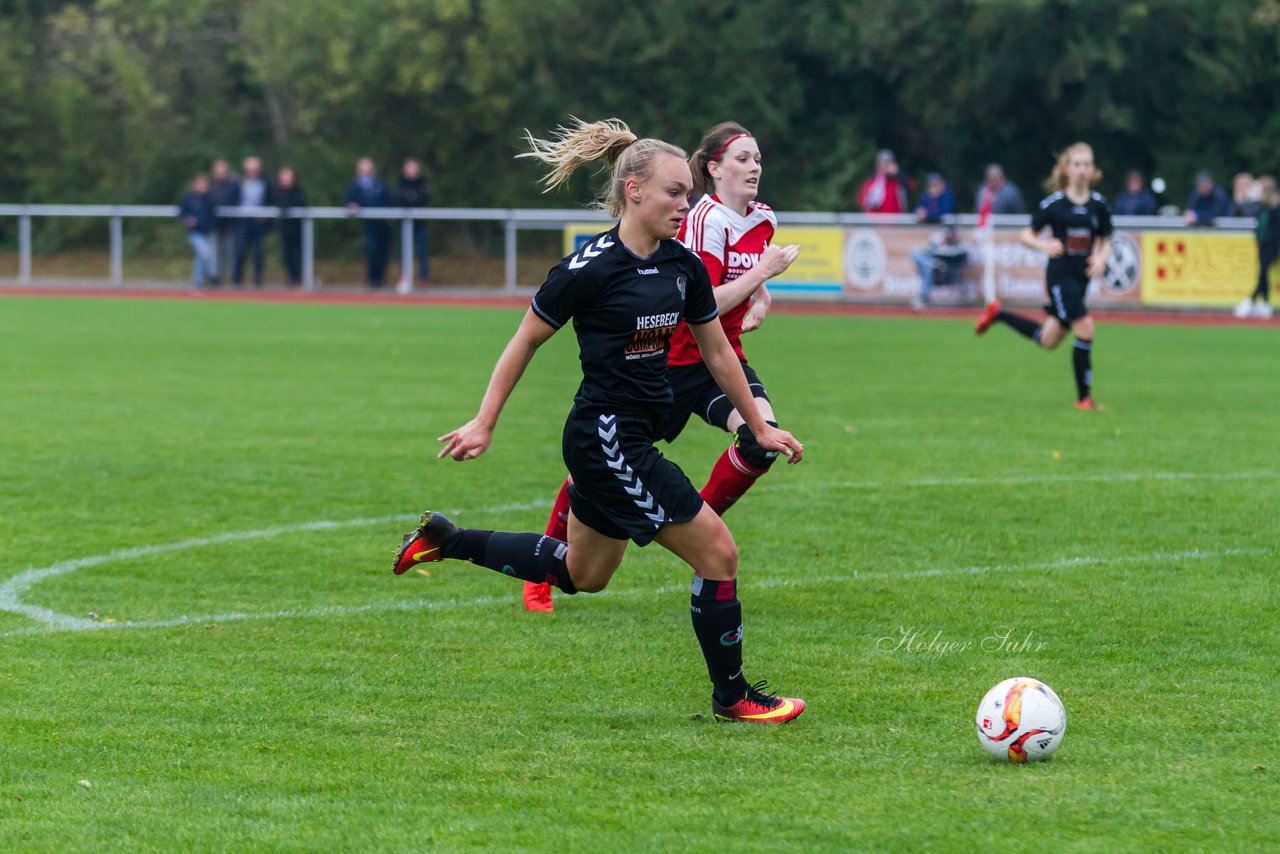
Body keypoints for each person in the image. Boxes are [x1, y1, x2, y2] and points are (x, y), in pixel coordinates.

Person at [393, 118, 807, 724]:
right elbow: (523, 341)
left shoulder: (683, 268)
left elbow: (718, 353)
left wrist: (760, 426)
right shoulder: (587, 268)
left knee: (582, 574)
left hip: (616, 440)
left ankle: (447, 541)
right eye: (673, 194)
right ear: (633, 191)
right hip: (609, 438)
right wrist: (484, 421)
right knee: (718, 554)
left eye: (687, 195)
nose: (683, 205)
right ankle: (734, 697)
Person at [522, 121, 800, 613]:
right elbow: (705, 296)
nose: (755, 166)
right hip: (669, 363)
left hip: (721, 358)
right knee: (599, 472)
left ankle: (698, 529)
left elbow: (731, 292)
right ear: (714, 168)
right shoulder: (703, 221)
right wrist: (762, 274)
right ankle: (548, 568)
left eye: (758, 158)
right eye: (743, 158)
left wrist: (762, 294)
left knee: (761, 442)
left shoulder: (763, 220)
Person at [975, 142, 1113, 410]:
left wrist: (1101, 258)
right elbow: (1026, 235)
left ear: (1093, 169)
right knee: (1085, 328)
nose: (1082, 170)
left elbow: (1107, 240)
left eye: (1087, 164)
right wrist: (1044, 245)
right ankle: (1084, 399)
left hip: (1081, 277)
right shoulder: (1055, 204)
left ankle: (998, 314)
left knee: (1048, 340)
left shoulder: (1099, 205)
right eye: (1077, 164)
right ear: (1067, 169)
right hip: (1060, 277)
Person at [974, 163, 1025, 304]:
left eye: (994, 179)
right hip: (987, 236)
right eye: (989, 179)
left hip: (1006, 239)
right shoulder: (983, 191)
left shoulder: (1011, 192)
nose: (991, 182)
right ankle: (989, 297)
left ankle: (999, 298)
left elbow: (1018, 216)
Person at [1233, 175, 1279, 319]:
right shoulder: (1262, 207)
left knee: (1263, 271)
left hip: (1272, 245)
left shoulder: (1275, 208)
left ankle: (1251, 300)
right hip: (1263, 244)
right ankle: (1264, 303)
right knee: (1263, 273)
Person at [345, 157, 393, 288]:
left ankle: (381, 279)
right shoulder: (355, 186)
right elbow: (349, 201)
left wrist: (391, 214)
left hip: (383, 224)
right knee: (372, 251)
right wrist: (352, 206)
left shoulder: (380, 183)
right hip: (368, 224)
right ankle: (372, 279)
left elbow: (389, 200)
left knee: (383, 252)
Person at [233, 156, 273, 286]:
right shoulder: (239, 182)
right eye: (250, 169)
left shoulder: (265, 182)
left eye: (255, 169)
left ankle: (257, 278)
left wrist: (266, 213)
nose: (252, 172)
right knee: (240, 250)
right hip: (242, 221)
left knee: (259, 251)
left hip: (258, 222)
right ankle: (237, 278)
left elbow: (270, 200)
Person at [911, 224, 969, 310]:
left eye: (949, 236)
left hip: (949, 274)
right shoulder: (937, 247)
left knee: (928, 266)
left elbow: (958, 253)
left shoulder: (959, 247)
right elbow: (918, 252)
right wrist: (936, 248)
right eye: (945, 236)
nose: (947, 239)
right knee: (926, 265)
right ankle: (923, 298)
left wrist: (942, 250)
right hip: (935, 273)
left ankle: (923, 298)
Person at [177, 174, 217, 289]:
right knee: (205, 253)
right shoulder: (188, 198)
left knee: (202, 255)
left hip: (207, 232)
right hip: (195, 232)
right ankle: (198, 280)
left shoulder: (209, 199)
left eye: (205, 184)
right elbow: (182, 213)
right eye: (200, 184)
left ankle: (199, 280)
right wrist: (187, 220)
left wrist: (209, 225)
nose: (203, 186)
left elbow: (212, 216)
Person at [397, 158, 431, 287]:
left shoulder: (423, 185)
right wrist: (410, 198)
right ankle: (404, 278)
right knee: (403, 252)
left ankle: (423, 279)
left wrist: (410, 198)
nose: (411, 172)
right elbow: (399, 199)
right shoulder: (401, 184)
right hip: (405, 225)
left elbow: (421, 199)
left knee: (422, 251)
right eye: (409, 169)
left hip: (419, 224)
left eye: (414, 169)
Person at [208, 159, 240, 285]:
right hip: (214, 225)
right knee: (214, 253)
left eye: (222, 172)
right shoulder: (210, 186)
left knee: (231, 252)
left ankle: (234, 277)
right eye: (218, 172)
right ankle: (215, 278)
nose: (220, 174)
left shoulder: (233, 186)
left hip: (230, 225)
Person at [274, 167, 306, 286]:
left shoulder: (298, 192)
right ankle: (291, 276)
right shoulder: (277, 192)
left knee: (296, 255)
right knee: (285, 256)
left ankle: (297, 277)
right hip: (284, 230)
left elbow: (300, 204)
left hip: (296, 230)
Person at [857, 149, 908, 214]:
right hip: (873, 221)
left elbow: (912, 186)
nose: (884, 166)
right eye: (882, 163)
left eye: (887, 163)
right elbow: (862, 201)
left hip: (894, 221)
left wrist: (898, 173)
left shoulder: (898, 181)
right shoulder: (870, 180)